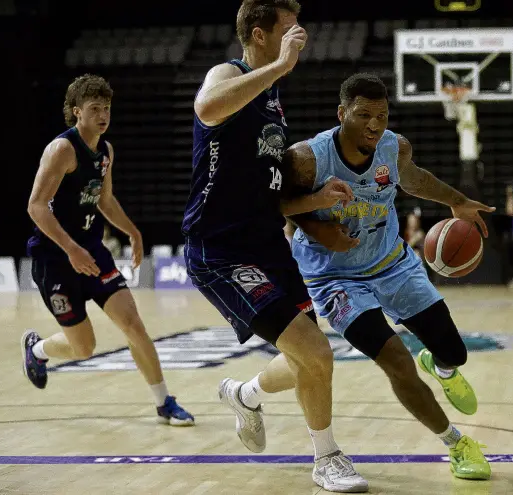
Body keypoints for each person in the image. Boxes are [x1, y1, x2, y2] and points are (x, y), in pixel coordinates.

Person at [240, 72, 495, 481]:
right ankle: (456, 443)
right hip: (335, 278)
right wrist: (320, 227)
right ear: (342, 114)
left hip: (393, 264)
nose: (375, 125)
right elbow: (273, 204)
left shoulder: (394, 148)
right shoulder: (307, 158)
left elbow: (413, 180)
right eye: (363, 115)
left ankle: (442, 366)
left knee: (454, 351)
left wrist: (458, 201)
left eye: (382, 115)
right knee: (396, 360)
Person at [181, 1, 367, 492]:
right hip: (220, 252)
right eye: (288, 28)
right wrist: (280, 65)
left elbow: (266, 198)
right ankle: (326, 458)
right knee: (318, 353)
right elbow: (206, 107)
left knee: (309, 353)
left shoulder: (272, 99)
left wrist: (314, 199)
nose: (299, 33)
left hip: (266, 244)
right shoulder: (230, 72)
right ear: (260, 35)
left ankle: (244, 394)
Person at [21, 74, 194, 426]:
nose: (103, 115)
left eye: (107, 108)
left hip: (92, 250)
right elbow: (36, 206)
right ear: (76, 112)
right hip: (55, 258)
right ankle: (37, 350)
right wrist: (70, 249)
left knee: (133, 324)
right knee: (83, 348)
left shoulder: (105, 151)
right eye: (95, 108)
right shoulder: (62, 150)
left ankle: (164, 402)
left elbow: (104, 199)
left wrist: (133, 232)